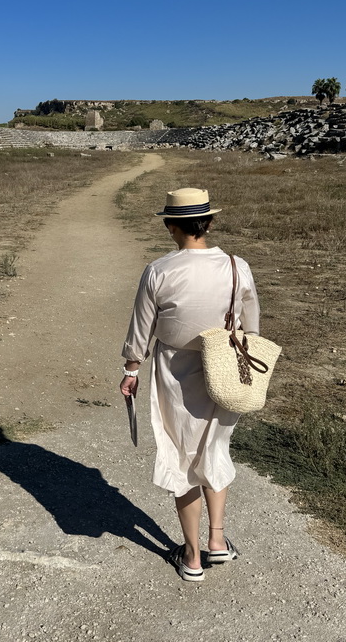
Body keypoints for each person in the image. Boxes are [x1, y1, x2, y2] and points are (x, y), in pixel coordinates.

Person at [120, 187, 260, 582]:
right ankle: (217, 541)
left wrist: (131, 370)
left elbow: (141, 329)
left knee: (181, 457)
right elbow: (251, 325)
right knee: (215, 450)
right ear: (210, 223)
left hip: (174, 372)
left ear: (170, 226)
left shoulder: (160, 270)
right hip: (226, 370)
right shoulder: (237, 266)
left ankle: (193, 556)